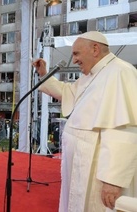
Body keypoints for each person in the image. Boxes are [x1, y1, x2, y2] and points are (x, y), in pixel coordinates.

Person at [33, 31, 137, 211]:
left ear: (95, 49)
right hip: (82, 163)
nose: (74, 60)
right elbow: (66, 92)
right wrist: (44, 74)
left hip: (99, 170)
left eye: (76, 54)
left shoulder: (121, 72)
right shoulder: (91, 76)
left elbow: (123, 131)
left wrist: (113, 180)